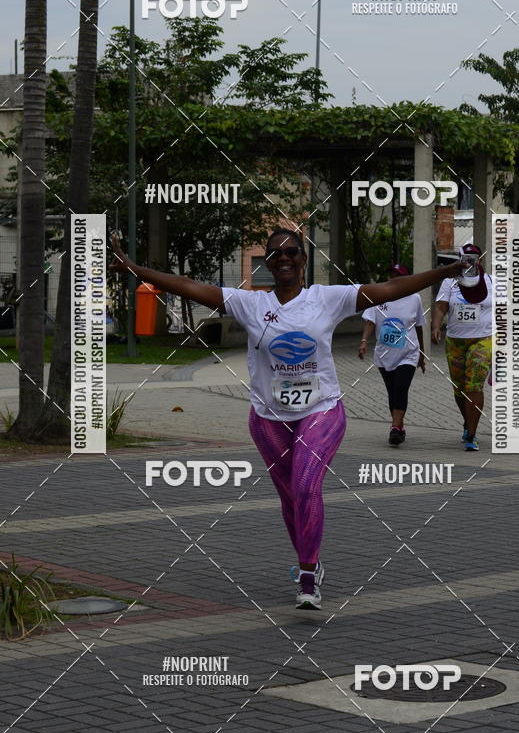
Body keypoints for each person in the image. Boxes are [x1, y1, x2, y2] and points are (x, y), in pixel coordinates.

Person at [110, 229, 465, 610]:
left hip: (321, 409)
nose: (284, 258)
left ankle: (308, 575)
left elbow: (390, 289)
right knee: (290, 497)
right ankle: (310, 561)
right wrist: (134, 268)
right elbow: (189, 286)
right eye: (275, 253)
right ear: (267, 261)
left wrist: (445, 273)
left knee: (306, 484)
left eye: (292, 252)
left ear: (303, 259)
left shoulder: (326, 298)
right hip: (269, 417)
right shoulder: (250, 303)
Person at [431, 244, 494, 452]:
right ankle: (468, 422)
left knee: (473, 385)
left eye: (474, 257)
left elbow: (503, 311)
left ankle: (472, 434)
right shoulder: (450, 282)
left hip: (483, 339)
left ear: (480, 259)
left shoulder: (492, 281)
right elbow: (441, 306)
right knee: (459, 388)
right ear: (459, 260)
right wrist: (435, 326)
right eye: (466, 258)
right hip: (456, 341)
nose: (470, 261)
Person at [358, 263, 425, 445]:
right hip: (384, 354)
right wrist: (364, 341)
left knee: (401, 388)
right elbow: (370, 322)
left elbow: (418, 326)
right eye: (391, 275)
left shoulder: (415, 298)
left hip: (408, 353)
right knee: (392, 391)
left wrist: (421, 353)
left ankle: (394, 427)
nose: (393, 279)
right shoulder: (378, 296)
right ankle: (399, 426)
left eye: (397, 275)